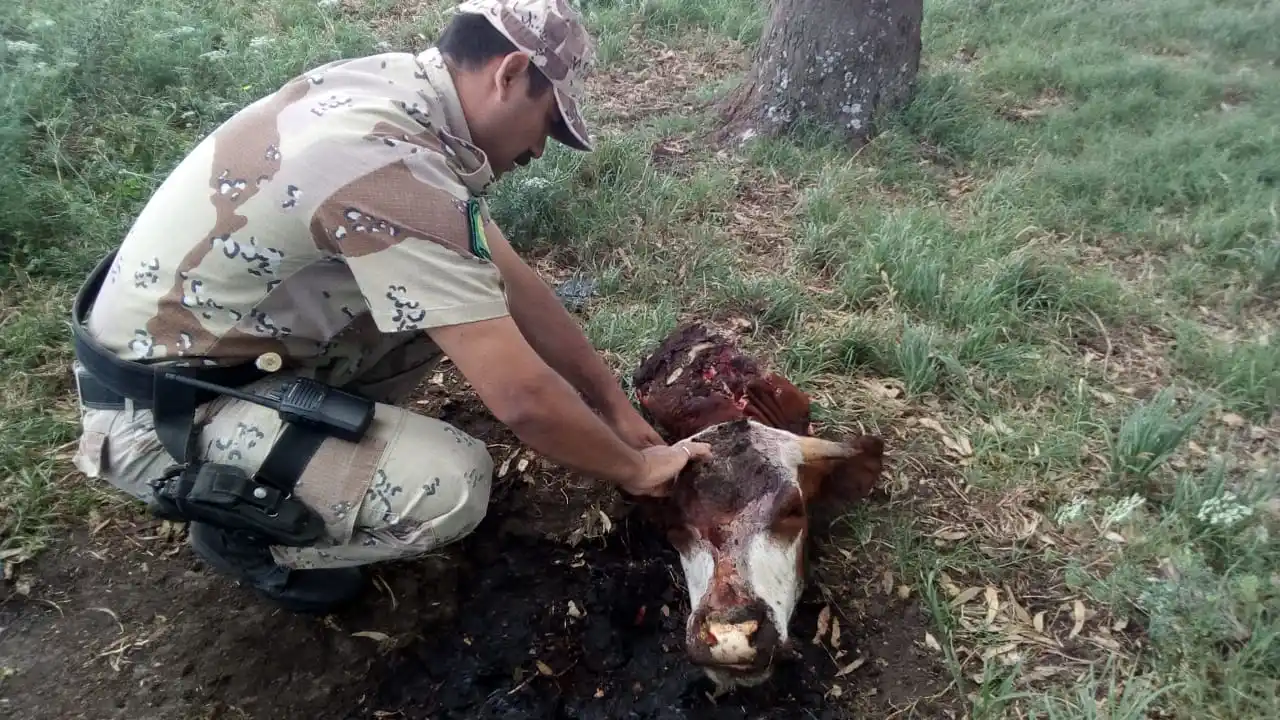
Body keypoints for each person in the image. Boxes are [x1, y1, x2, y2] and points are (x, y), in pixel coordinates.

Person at [67, 0, 710, 614]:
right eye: (549, 121)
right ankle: (248, 530)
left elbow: (513, 285)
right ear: (510, 73)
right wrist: (633, 467)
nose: (541, 149)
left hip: (213, 358)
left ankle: (315, 453)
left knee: (463, 294)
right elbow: (524, 402)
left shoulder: (397, 95)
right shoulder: (389, 168)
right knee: (453, 487)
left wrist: (615, 407)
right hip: (161, 414)